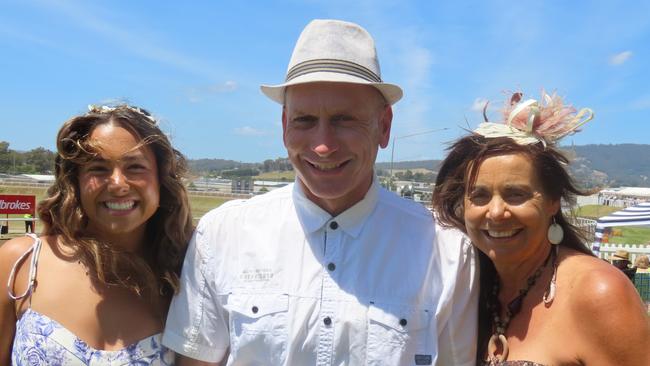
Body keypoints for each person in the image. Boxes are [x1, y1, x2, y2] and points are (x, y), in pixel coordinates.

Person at [163, 19, 478, 366]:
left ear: (384, 126)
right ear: (284, 126)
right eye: (305, 120)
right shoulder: (223, 235)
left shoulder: (445, 250)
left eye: (345, 119)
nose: (323, 145)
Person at [432, 90, 650, 365]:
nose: (496, 212)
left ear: (553, 202)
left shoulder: (599, 293)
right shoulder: (468, 288)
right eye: (479, 196)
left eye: (516, 194)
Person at [0, 105, 193, 365]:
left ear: (161, 180)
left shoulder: (186, 277)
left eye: (135, 167)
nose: (117, 184)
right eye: (99, 168)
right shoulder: (20, 262)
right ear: (75, 182)